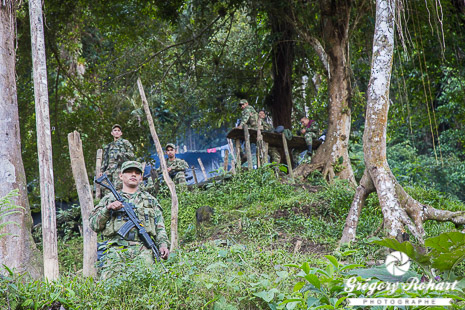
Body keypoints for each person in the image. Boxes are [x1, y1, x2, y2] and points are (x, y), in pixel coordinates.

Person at [90, 161, 169, 278]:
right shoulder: (109, 199)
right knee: (109, 285)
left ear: (141, 178)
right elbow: (94, 225)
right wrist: (108, 209)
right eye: (129, 172)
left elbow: (160, 227)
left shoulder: (150, 200)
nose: (133, 175)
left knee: (146, 283)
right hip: (115, 249)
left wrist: (163, 245)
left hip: (143, 249)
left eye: (137, 173)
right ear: (121, 176)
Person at [100, 124, 135, 190]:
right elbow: (105, 160)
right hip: (109, 170)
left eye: (118, 130)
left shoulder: (125, 142)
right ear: (112, 133)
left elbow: (132, 155)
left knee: (118, 188)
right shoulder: (109, 146)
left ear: (121, 133)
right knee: (105, 188)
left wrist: (122, 154)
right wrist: (102, 171)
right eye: (115, 130)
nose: (117, 132)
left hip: (119, 169)